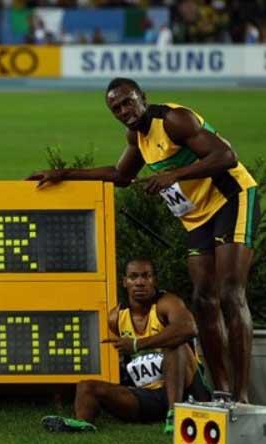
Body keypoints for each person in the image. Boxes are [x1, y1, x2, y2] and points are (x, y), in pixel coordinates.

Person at [27, 77, 260, 403]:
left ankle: (242, 396)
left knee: (229, 293)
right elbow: (121, 176)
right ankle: (222, 393)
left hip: (231, 198)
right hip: (197, 217)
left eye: (127, 102)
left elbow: (227, 156)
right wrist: (64, 174)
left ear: (142, 98)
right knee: (204, 299)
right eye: (116, 108)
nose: (124, 111)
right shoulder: (137, 135)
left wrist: (173, 175)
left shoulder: (175, 120)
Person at [41, 259, 211, 434]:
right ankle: (81, 424)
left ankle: (174, 414)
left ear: (155, 281)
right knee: (86, 386)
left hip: (187, 392)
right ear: (124, 282)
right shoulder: (116, 318)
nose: (139, 282)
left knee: (176, 345)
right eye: (133, 277)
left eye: (146, 276)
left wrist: (138, 344)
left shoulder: (167, 303)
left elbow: (188, 328)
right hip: (146, 395)